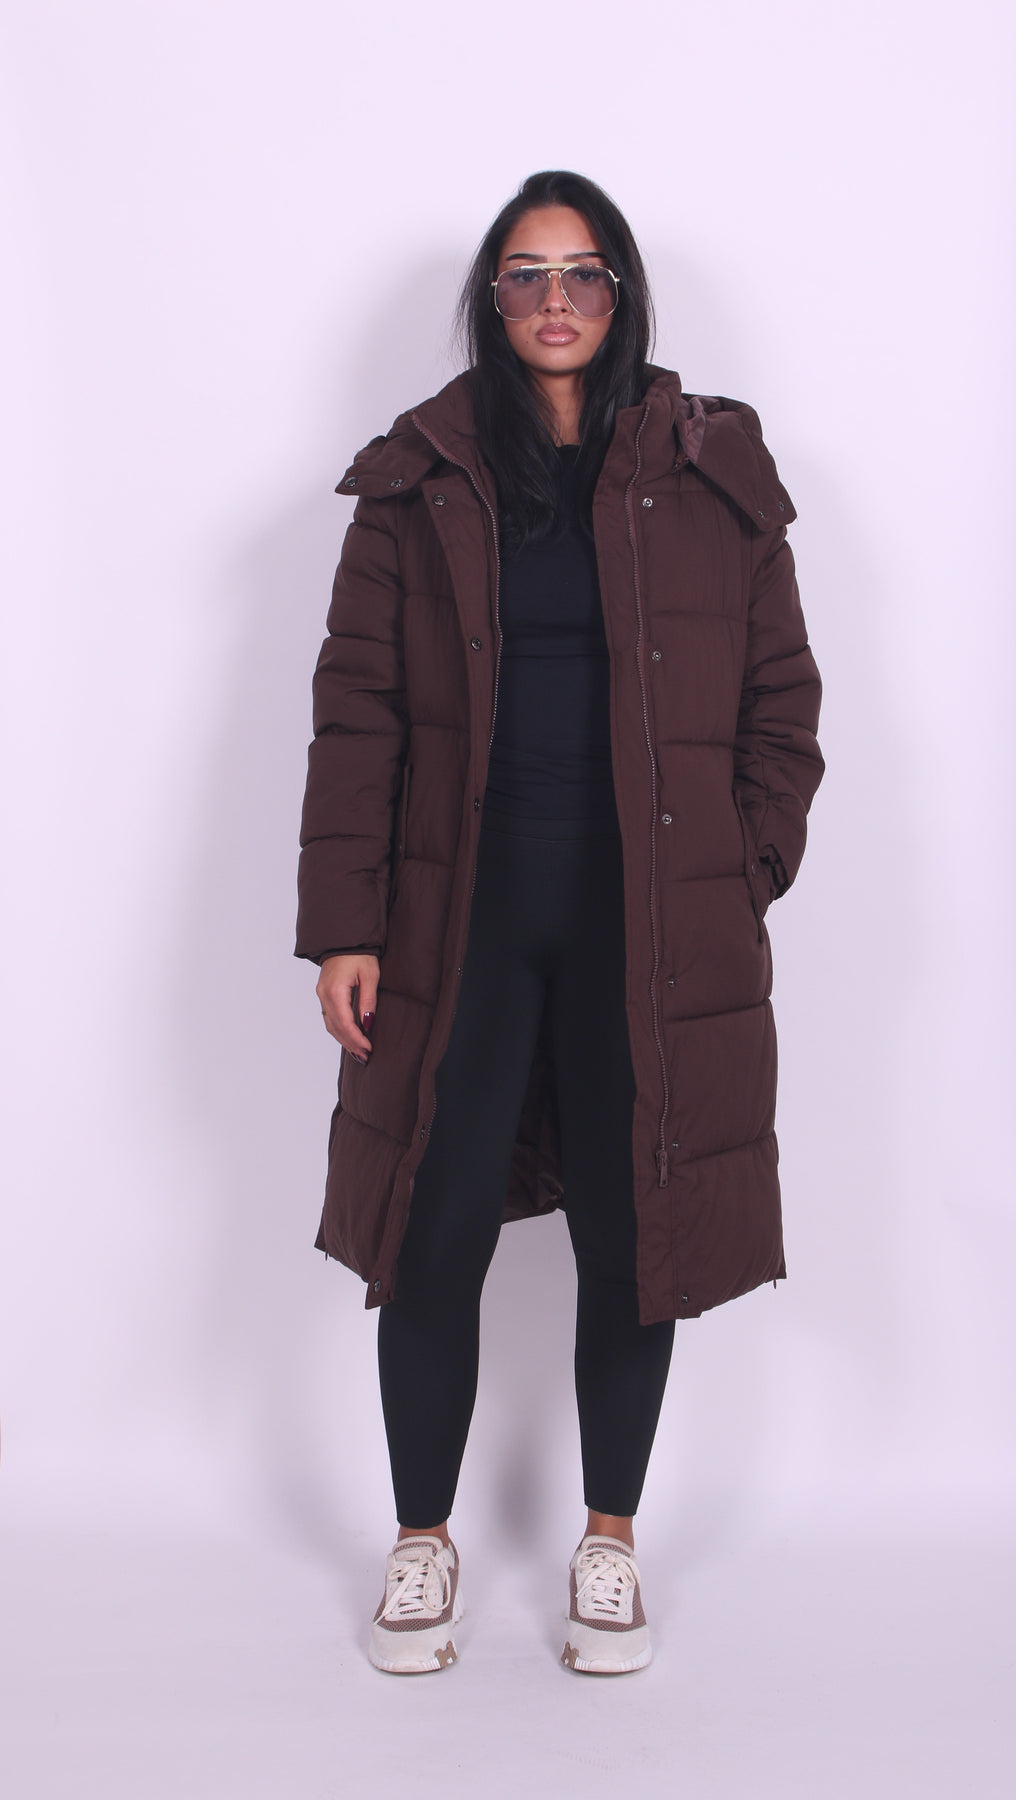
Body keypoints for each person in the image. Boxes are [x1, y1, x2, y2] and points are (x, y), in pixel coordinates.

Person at [295, 170, 824, 1677]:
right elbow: (357, 714)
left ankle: (610, 1540)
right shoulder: (420, 479)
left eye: (583, 273)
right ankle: (421, 1539)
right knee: (431, 1225)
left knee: (634, 1225)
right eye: (525, 275)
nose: (555, 301)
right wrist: (347, 924)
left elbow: (782, 702)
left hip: (645, 924)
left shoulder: (713, 472)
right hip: (457, 918)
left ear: (623, 293)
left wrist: (741, 864)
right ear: (491, 299)